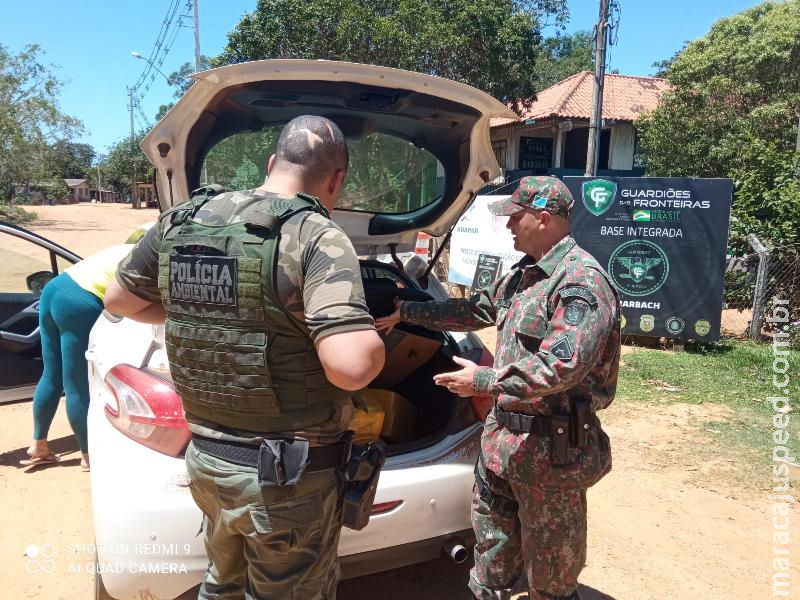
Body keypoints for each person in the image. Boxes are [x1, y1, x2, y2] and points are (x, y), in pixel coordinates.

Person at [104, 115, 385, 600]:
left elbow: (118, 301)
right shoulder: (316, 234)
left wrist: (207, 314)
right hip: (285, 482)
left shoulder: (183, 219)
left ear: (272, 162)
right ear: (337, 179)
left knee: (223, 583)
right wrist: (370, 336)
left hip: (208, 460)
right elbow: (352, 366)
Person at [376, 176, 621, 600]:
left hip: (551, 452)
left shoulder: (581, 284)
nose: (508, 226)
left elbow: (559, 368)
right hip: (502, 444)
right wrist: (407, 312)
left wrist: (482, 380)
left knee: (551, 575)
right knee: (491, 559)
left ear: (544, 219)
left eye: (516, 217)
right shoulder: (524, 276)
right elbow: (473, 310)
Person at [22, 227, 154, 472]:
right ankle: (88, 455)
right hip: (80, 302)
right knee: (78, 384)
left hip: (54, 289)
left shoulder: (124, 250)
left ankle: (38, 444)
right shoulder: (147, 261)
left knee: (52, 374)